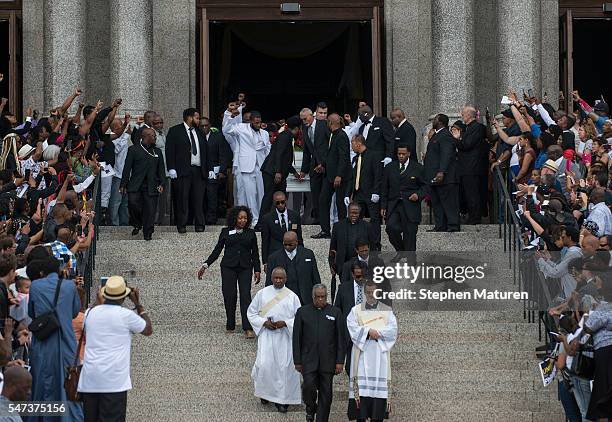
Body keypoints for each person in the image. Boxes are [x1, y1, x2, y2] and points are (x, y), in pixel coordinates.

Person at [78, 277, 153, 422]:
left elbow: (92, 310)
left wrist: (98, 298)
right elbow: (148, 329)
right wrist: (138, 304)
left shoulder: (90, 313)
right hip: (114, 382)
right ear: (125, 296)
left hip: (90, 379)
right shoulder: (127, 316)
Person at [27, 254, 83, 422]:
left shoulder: (35, 286)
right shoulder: (69, 286)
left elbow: (32, 313)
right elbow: (74, 312)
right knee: (69, 383)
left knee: (43, 383)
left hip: (43, 341)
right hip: (66, 340)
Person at [198, 206, 260, 338]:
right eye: (240, 218)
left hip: (245, 267)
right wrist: (206, 264)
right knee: (229, 295)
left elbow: (255, 253)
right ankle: (230, 324)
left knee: (245, 296)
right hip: (228, 267)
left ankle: (247, 327)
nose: (243, 220)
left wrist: (257, 270)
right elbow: (217, 250)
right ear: (234, 218)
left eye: (245, 218)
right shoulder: (226, 231)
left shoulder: (250, 233)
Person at [247, 267, 302, 413]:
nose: (278, 280)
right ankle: (265, 394)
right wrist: (264, 322)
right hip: (267, 336)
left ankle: (283, 400)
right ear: (271, 278)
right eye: (275, 278)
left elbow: (299, 318)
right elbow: (251, 313)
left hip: (285, 336)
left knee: (284, 368)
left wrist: (285, 323)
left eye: (281, 278)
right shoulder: (262, 294)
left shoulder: (292, 297)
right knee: (265, 365)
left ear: (286, 279)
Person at [293, 284, 345, 422]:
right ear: (313, 296)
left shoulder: (335, 312)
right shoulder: (302, 312)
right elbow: (296, 338)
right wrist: (297, 360)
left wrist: (340, 361)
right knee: (308, 387)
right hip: (308, 359)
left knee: (326, 394)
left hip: (328, 361)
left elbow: (340, 338)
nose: (320, 300)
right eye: (318, 297)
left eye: (323, 297)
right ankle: (310, 408)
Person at [346, 280, 398, 422]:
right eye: (367, 292)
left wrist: (378, 333)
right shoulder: (355, 311)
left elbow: (393, 330)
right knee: (362, 391)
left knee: (378, 394)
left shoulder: (386, 311)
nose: (370, 295)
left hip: (379, 356)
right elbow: (352, 327)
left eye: (373, 292)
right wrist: (368, 331)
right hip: (362, 355)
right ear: (364, 293)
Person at [222, 103, 270, 228]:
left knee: (261, 194)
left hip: (260, 167)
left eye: (259, 122)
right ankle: (253, 220)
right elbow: (226, 130)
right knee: (250, 195)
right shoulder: (242, 128)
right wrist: (228, 114)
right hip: (246, 167)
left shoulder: (264, 133)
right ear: (251, 121)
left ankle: (260, 219)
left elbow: (267, 150)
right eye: (255, 122)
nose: (258, 125)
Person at [165, 107, 208, 234]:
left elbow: (206, 151)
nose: (198, 120)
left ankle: (200, 224)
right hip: (183, 170)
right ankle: (182, 224)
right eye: (197, 117)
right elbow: (170, 150)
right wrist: (171, 167)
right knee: (182, 198)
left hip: (198, 170)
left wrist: (209, 168)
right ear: (189, 117)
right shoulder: (175, 130)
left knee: (199, 199)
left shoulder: (199, 132)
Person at [120, 127, 166, 241]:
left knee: (150, 210)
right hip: (135, 185)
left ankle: (148, 232)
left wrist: (162, 184)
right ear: (146, 136)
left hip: (151, 185)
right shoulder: (133, 149)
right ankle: (137, 223)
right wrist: (123, 184)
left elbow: (161, 170)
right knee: (133, 204)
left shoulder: (157, 152)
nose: (155, 138)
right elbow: (127, 168)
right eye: (153, 136)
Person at [381, 144, 426, 252]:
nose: (401, 156)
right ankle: (401, 251)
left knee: (410, 234)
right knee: (391, 228)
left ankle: (411, 263)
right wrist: (383, 206)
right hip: (394, 205)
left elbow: (425, 186)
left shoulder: (417, 168)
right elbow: (384, 188)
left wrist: (418, 195)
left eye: (403, 154)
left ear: (409, 154)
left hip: (411, 206)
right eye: (399, 154)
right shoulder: (389, 168)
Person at [312, 114, 351, 239]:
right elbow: (331, 155)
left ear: (330, 123)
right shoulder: (333, 135)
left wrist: (339, 175)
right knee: (323, 201)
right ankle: (325, 230)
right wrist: (322, 164)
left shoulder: (342, 136)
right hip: (329, 176)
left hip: (340, 177)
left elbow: (343, 157)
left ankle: (343, 231)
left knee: (340, 204)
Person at [258, 116, 302, 222]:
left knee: (281, 196)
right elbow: (279, 154)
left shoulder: (286, 136)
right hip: (272, 172)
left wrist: (294, 172)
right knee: (269, 197)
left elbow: (285, 159)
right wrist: (278, 172)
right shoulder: (285, 137)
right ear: (297, 128)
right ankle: (260, 223)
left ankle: (279, 220)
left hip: (277, 172)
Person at [345, 134, 383, 251]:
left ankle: (376, 245)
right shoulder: (355, 158)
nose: (352, 146)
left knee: (374, 219)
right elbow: (352, 177)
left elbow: (378, 175)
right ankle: (356, 243)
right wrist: (347, 193)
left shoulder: (373, 155)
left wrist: (376, 192)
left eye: (352, 143)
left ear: (358, 143)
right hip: (358, 193)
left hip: (371, 193)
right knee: (356, 218)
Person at [424, 113, 460, 232]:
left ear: (439, 121)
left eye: (434, 119)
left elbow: (446, 154)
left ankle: (453, 225)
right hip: (434, 177)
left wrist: (442, 171)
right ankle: (440, 226)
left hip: (444, 178)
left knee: (448, 203)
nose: (433, 121)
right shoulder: (436, 135)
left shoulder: (445, 135)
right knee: (437, 203)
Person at [265, 231, 320, 305]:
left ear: (296, 242)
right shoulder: (274, 258)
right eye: (285, 244)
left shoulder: (308, 254)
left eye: (290, 244)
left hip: (305, 299)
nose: (287, 247)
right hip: (282, 300)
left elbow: (315, 277)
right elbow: (269, 282)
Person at [454, 105, 486, 225]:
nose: (462, 116)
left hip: (472, 167)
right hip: (467, 167)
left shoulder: (476, 128)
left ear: (468, 115)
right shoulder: (469, 128)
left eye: (463, 114)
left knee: (472, 193)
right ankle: (472, 216)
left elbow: (466, 145)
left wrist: (456, 139)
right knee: (469, 193)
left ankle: (475, 218)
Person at [300, 106, 331, 225]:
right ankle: (318, 219)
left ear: (311, 116)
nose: (304, 121)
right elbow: (307, 151)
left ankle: (327, 220)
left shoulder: (323, 124)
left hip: (327, 165)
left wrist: (324, 163)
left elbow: (331, 145)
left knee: (325, 195)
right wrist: (303, 170)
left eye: (305, 118)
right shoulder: (305, 128)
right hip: (314, 166)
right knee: (315, 194)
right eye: (302, 119)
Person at [334, 261, 366, 375]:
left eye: (363, 275)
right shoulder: (343, 288)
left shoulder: (374, 288)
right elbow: (337, 310)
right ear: (352, 275)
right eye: (358, 276)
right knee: (350, 366)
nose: (361, 278)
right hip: (349, 333)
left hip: (367, 333)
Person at [329, 202, 372, 280]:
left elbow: (372, 246)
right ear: (348, 212)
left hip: (362, 266)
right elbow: (332, 248)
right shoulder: (338, 226)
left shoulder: (367, 226)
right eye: (352, 213)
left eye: (356, 213)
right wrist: (332, 265)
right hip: (343, 266)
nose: (354, 215)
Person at [200, 117, 230, 225]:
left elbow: (223, 154)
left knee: (212, 195)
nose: (204, 128)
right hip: (200, 172)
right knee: (201, 196)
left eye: (206, 125)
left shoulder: (218, 137)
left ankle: (211, 219)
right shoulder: (197, 137)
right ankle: (201, 218)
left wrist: (222, 170)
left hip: (214, 172)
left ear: (210, 125)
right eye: (202, 126)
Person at [260, 191, 303, 266]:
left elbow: (299, 237)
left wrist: (302, 254)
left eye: (282, 202)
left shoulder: (295, 216)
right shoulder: (267, 218)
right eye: (277, 203)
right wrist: (265, 262)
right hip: (275, 255)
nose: (280, 205)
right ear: (274, 203)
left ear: (286, 200)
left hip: (292, 254)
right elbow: (265, 241)